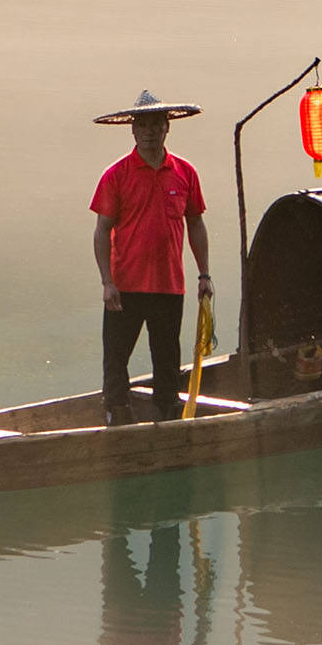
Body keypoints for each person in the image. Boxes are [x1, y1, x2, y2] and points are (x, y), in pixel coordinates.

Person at [88, 90, 214, 425]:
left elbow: (196, 223)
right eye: (142, 125)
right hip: (125, 286)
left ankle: (168, 420)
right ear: (132, 129)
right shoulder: (116, 175)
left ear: (166, 127)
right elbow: (102, 232)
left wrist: (204, 274)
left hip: (169, 285)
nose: (148, 131)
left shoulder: (185, 172)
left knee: (167, 359)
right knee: (116, 359)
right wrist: (107, 282)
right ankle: (117, 420)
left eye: (155, 124)